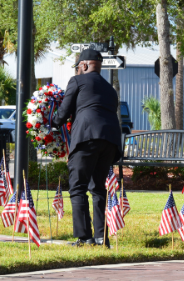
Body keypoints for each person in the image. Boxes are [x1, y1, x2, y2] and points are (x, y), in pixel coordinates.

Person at [52, 49, 122, 248]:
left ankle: (85, 237)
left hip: (86, 138)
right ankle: (102, 238)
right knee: (99, 188)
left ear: (83, 65)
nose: (77, 70)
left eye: (77, 67)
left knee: (78, 186)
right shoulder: (110, 88)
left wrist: (52, 122)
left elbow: (64, 111)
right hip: (110, 141)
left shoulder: (77, 81)